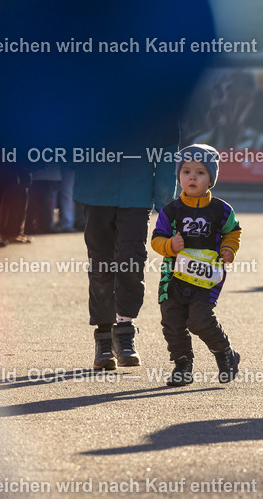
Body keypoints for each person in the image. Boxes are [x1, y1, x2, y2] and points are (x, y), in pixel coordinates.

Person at [76, 149, 178, 370]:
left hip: (136, 192)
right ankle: (103, 337)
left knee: (131, 262)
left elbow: (167, 150)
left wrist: (165, 202)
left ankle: (124, 331)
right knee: (101, 265)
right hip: (96, 190)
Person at [151, 144, 242, 386]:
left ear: (211, 179)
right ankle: (182, 365)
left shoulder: (222, 210)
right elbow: (156, 239)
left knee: (199, 319)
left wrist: (229, 249)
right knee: (172, 320)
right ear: (179, 176)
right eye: (186, 172)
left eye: (200, 172)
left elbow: (233, 232)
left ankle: (225, 353)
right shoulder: (170, 211)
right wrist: (170, 245)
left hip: (207, 277)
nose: (192, 177)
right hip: (173, 278)